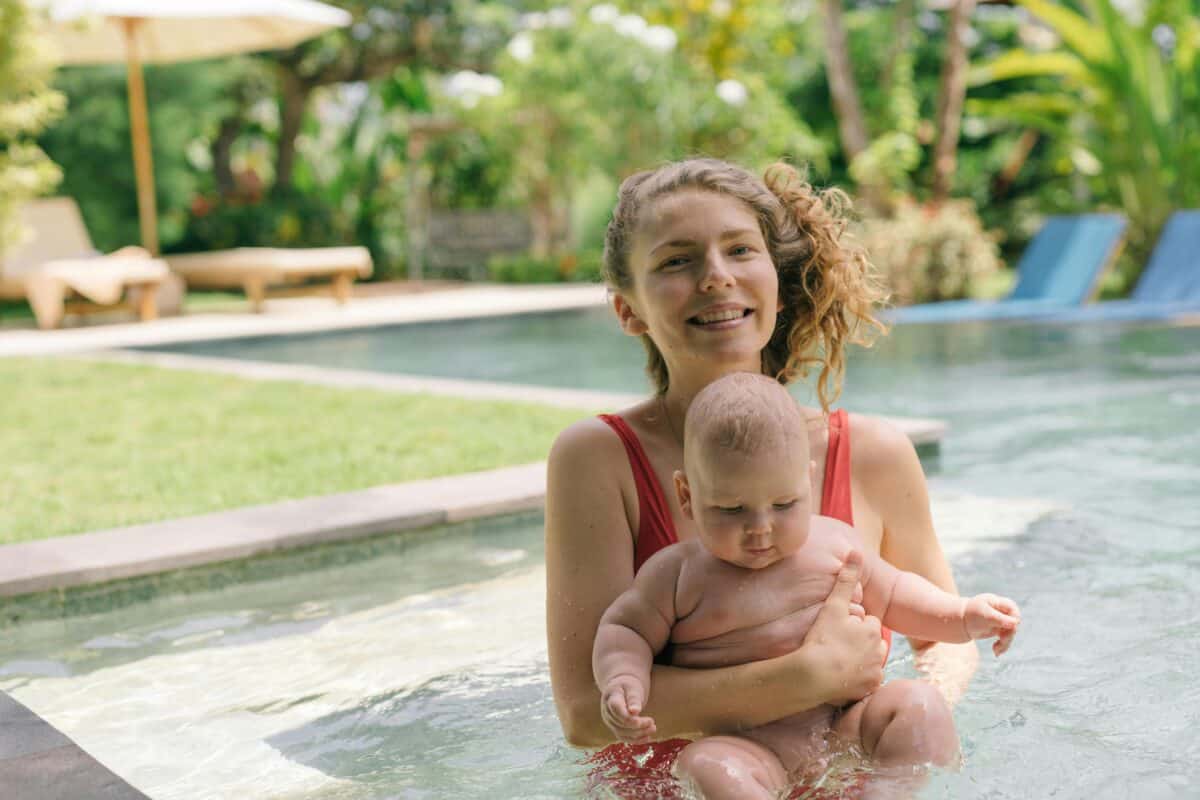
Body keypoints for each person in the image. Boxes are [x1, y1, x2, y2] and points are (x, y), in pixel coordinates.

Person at [545, 157, 981, 797]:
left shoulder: (874, 453)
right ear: (627, 309)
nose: (716, 278)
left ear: (775, 280)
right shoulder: (598, 458)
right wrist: (809, 677)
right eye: (676, 261)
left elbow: (943, 640)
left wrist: (904, 723)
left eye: (739, 250)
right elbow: (586, 714)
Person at [591, 372, 1020, 798]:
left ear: (807, 482)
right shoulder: (676, 575)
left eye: (783, 504)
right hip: (750, 746)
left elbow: (895, 593)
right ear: (687, 495)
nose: (760, 528)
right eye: (731, 509)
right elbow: (625, 629)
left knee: (921, 706)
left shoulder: (835, 543)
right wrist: (623, 678)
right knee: (708, 765)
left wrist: (963, 615)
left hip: (845, 725)